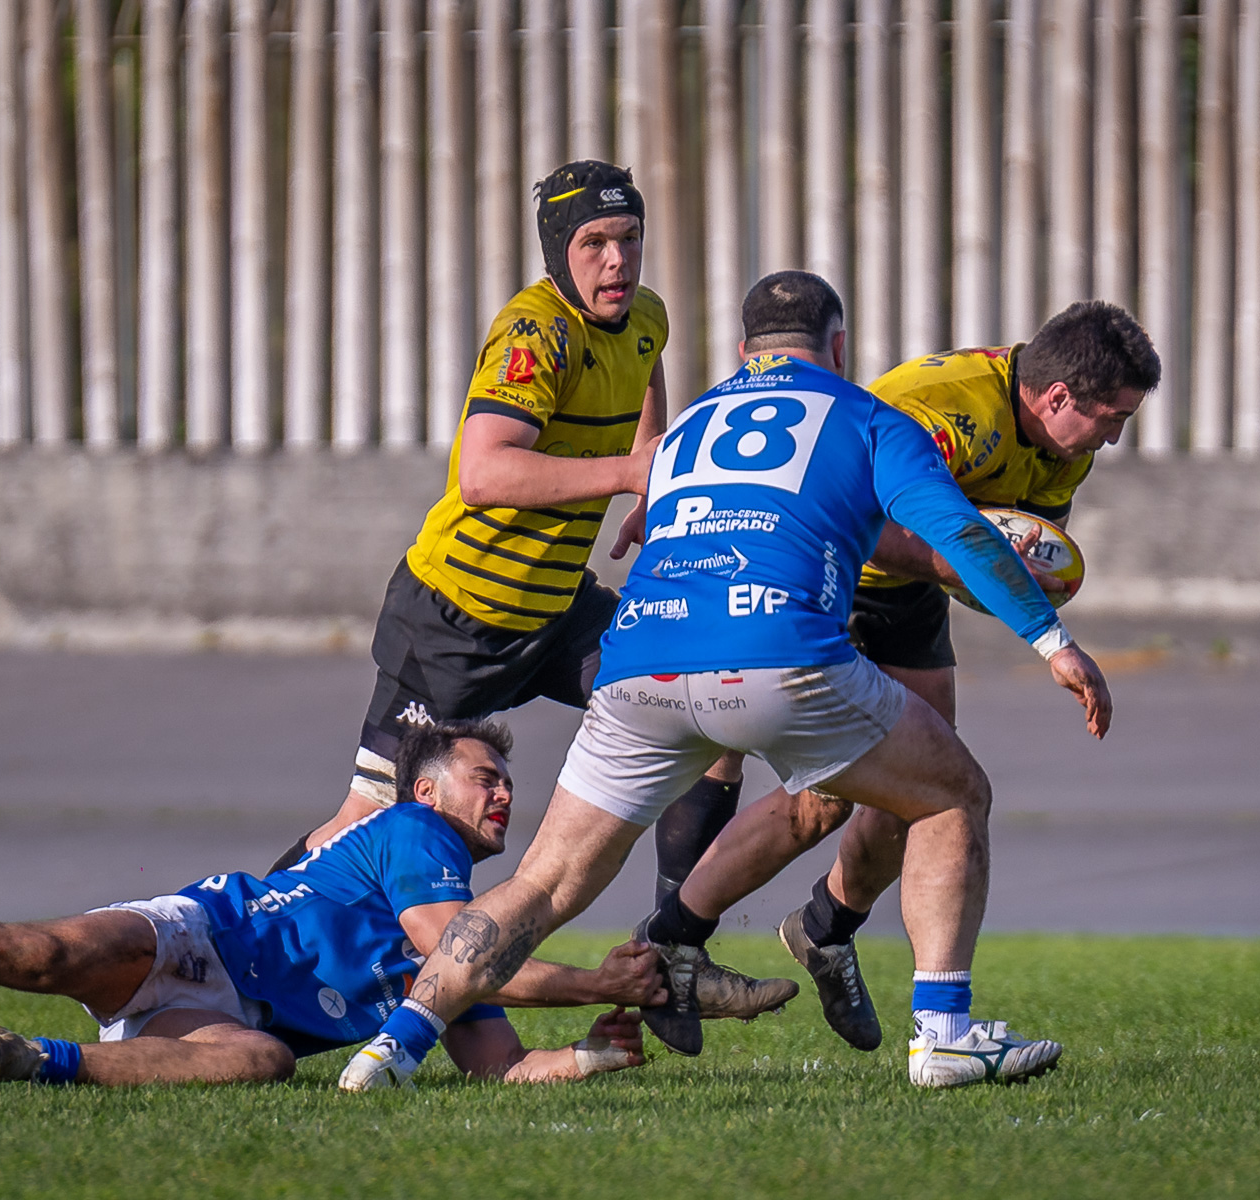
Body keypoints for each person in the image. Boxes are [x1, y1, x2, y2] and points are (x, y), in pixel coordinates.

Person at [336, 271, 1113, 1094]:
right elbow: (956, 528)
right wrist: (1053, 641)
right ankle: (944, 1035)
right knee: (952, 792)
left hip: (639, 665)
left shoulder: (686, 430)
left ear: (744, 353)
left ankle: (393, 1048)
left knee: (541, 882)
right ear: (838, 349)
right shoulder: (866, 415)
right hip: (780, 656)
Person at [273, 158, 770, 996]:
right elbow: (484, 474)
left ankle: (675, 946)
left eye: (629, 239)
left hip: (556, 613)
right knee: (368, 824)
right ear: (558, 253)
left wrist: (648, 484)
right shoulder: (535, 335)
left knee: (714, 712)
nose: (617, 260)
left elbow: (646, 380)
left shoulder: (644, 315)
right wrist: (625, 471)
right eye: (595, 243)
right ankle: (245, 948)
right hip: (456, 621)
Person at [683, 301, 1162, 1055]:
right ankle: (675, 938)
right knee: (826, 801)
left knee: (925, 785)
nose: (1114, 437)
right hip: (827, 571)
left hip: (906, 591)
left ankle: (825, 929)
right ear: (1059, 397)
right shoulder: (944, 412)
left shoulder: (1068, 446)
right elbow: (865, 516)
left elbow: (1008, 545)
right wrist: (1044, 635)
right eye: (1111, 418)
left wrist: (989, 573)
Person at [0, 721, 664, 1088]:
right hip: (207, 940)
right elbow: (453, 954)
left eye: (508, 783)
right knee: (38, 954)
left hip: (235, 1012)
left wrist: (590, 1058)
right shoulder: (423, 844)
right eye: (484, 778)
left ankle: (34, 1065)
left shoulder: (466, 934)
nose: (503, 795)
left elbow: (495, 1062)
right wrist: (591, 980)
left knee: (263, 1064)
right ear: (427, 794)